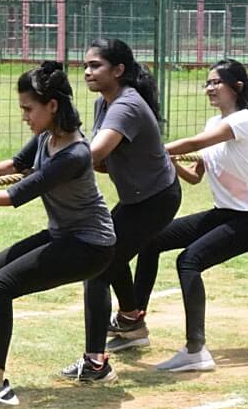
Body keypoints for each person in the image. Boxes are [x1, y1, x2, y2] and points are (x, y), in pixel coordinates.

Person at [0, 61, 117, 409]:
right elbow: (18, 163)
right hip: (64, 234)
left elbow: (16, 196)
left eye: (28, 108)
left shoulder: (74, 153)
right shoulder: (46, 137)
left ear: (52, 106)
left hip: (91, 245)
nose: (24, 115)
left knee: (2, 286)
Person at [133, 59, 248, 373]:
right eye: (207, 83)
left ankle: (195, 349)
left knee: (189, 260)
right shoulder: (215, 123)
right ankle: (133, 321)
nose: (209, 88)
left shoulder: (244, 120)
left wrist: (150, 148)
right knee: (151, 241)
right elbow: (196, 175)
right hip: (225, 214)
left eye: (216, 82)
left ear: (237, 87)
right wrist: (168, 162)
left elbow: (195, 144)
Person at [75, 38, 182, 365]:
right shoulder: (104, 104)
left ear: (119, 70)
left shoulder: (127, 105)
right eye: (85, 67)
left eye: (95, 66)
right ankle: (132, 320)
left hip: (156, 199)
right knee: (109, 251)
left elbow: (93, 153)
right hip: (137, 198)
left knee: (98, 266)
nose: (87, 73)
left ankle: (95, 362)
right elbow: (100, 158)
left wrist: (54, 165)